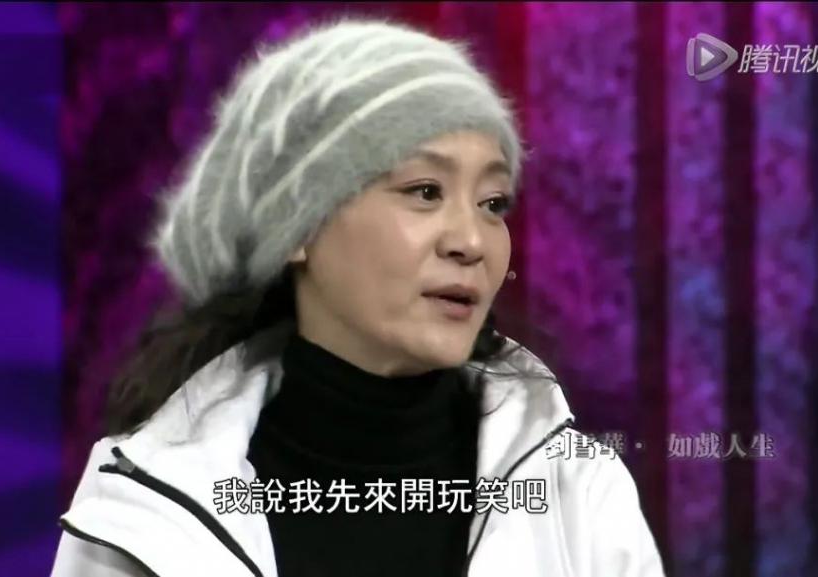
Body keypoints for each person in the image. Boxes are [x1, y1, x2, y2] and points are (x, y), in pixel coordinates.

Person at [50, 16, 665, 577]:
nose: (472, 241)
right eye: (425, 191)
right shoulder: (145, 510)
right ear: (296, 225)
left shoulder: (579, 496)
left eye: (492, 202)